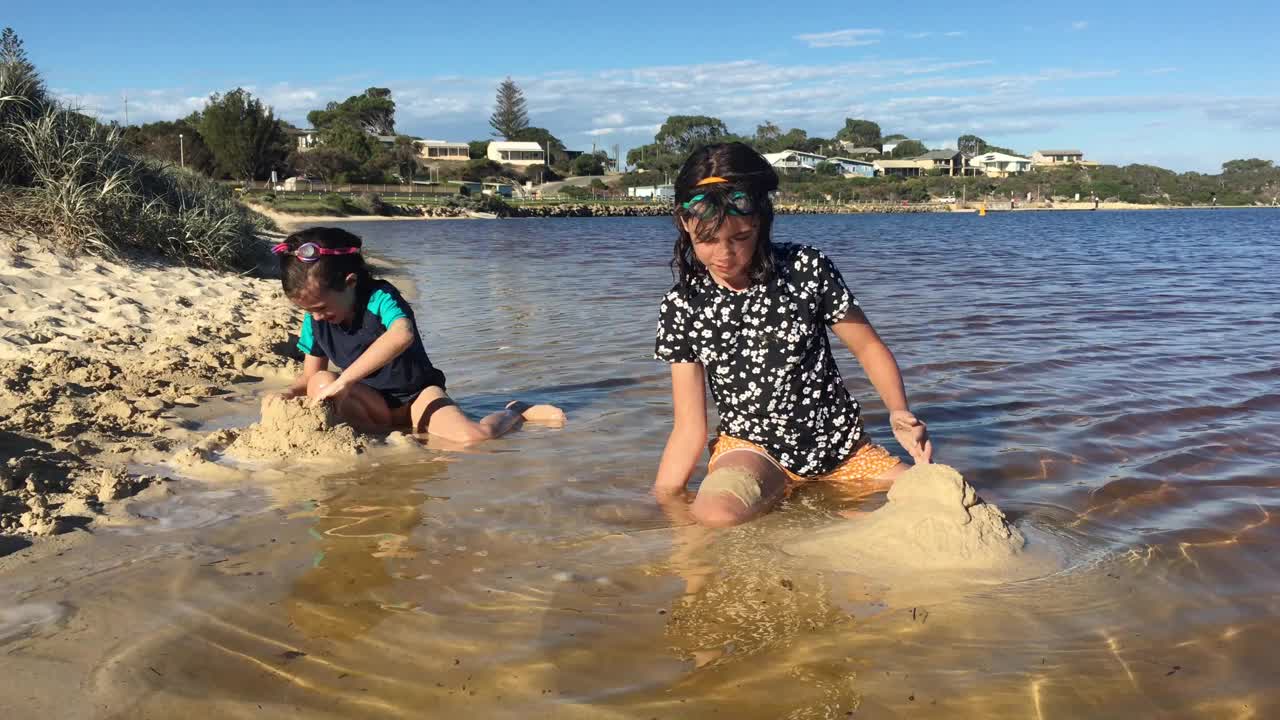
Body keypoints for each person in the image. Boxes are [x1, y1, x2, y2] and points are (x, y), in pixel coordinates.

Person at [652, 143, 932, 528]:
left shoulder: (805, 268)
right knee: (715, 515)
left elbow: (868, 347)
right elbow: (689, 426)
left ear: (762, 221)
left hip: (842, 451)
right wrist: (666, 497)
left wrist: (899, 410)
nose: (725, 254)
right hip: (752, 450)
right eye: (708, 240)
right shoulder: (682, 305)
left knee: (943, 497)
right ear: (686, 224)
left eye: (740, 237)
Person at [270, 226, 564, 442]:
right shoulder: (315, 319)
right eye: (310, 310)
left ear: (350, 283)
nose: (317, 316)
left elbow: (402, 335)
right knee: (321, 382)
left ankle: (515, 411)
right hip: (374, 406)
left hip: (417, 396)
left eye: (321, 307)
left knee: (476, 439)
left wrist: (345, 380)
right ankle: (380, 438)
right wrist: (285, 393)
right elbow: (310, 377)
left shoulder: (380, 297)